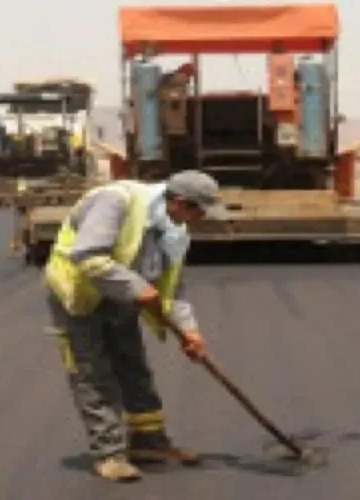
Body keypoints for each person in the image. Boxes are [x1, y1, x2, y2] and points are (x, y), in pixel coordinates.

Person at [43, 169, 228, 482]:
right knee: (93, 373)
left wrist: (189, 331)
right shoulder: (116, 201)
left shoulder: (174, 230)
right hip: (77, 295)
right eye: (199, 211)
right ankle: (109, 454)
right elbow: (88, 256)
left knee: (133, 366)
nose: (201, 218)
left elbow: (172, 287)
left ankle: (149, 443)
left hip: (120, 296)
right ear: (180, 202)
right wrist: (137, 288)